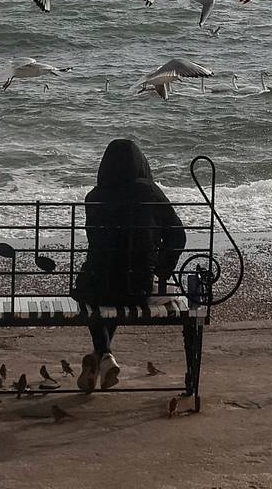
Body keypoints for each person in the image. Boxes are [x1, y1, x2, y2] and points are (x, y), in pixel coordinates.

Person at [71, 138, 186, 392]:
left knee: (100, 295)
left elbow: (96, 243)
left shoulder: (94, 197)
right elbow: (178, 235)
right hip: (138, 285)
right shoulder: (150, 192)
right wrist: (162, 271)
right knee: (120, 292)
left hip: (99, 284)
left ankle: (102, 354)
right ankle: (102, 356)